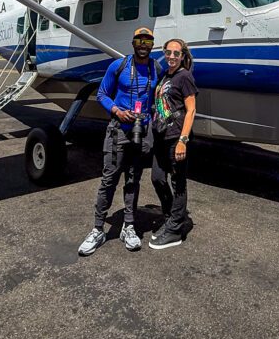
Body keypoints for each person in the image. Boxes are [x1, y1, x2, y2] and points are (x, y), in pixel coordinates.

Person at [78, 27, 160, 256]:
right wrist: (116, 110)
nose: (143, 44)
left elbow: (158, 98)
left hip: (140, 132)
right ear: (133, 43)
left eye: (148, 40)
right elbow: (102, 94)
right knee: (109, 180)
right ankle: (97, 229)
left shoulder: (156, 68)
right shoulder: (119, 65)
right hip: (118, 130)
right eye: (139, 40)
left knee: (133, 179)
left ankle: (129, 226)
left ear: (152, 45)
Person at [149, 38, 198, 250]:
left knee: (179, 183)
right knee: (157, 178)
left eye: (176, 53)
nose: (171, 56)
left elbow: (191, 110)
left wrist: (183, 141)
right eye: (168, 52)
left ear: (182, 56)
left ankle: (175, 230)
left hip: (176, 137)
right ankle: (171, 217)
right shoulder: (165, 76)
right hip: (161, 136)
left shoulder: (184, 77)